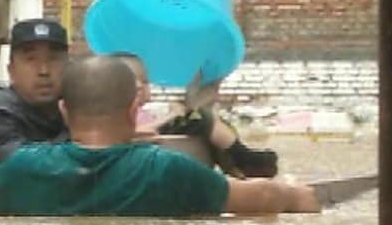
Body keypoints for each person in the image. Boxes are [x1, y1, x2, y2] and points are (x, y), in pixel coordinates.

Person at [0, 55, 319, 217]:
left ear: (64, 112)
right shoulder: (166, 170)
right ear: (134, 110)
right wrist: (295, 195)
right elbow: (260, 198)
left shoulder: (20, 171)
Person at [115, 53, 278, 178]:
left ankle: (240, 164)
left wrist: (173, 111)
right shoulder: (120, 113)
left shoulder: (141, 110)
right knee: (200, 116)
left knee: (208, 121)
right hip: (157, 143)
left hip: (165, 140)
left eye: (147, 82)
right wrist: (171, 116)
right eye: (143, 83)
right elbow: (137, 132)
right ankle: (242, 158)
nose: (146, 88)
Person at [0, 19, 70, 190]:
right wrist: (73, 132)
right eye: (31, 59)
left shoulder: (81, 108)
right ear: (11, 71)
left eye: (53, 59)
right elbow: (23, 172)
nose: (44, 71)